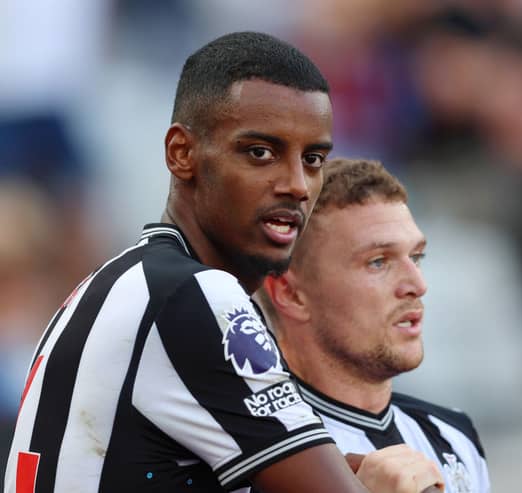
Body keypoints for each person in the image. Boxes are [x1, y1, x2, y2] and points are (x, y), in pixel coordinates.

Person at [3, 32, 443, 493]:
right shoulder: (193, 296)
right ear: (182, 153)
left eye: (313, 159)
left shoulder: (131, 281)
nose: (296, 184)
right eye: (260, 152)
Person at [256, 157, 491, 493]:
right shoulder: (246, 458)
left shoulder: (452, 436)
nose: (417, 284)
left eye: (416, 257)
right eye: (378, 262)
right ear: (291, 293)